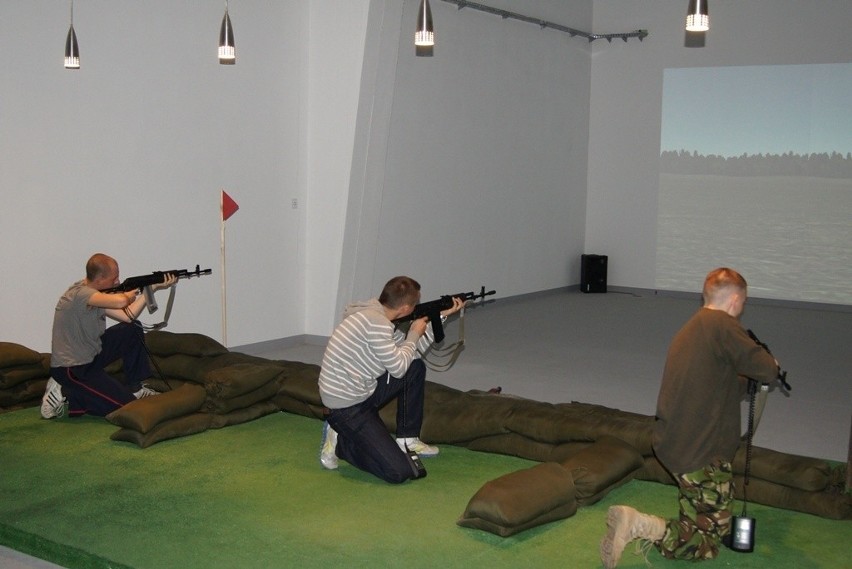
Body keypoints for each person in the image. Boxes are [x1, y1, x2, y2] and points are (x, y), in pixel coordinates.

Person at [600, 267, 779, 568]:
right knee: (710, 540)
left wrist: (743, 380)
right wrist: (771, 362)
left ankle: (678, 520)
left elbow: (718, 383)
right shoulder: (724, 325)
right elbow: (767, 369)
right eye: (743, 303)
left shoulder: (693, 328)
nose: (741, 309)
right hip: (701, 454)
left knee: (698, 514)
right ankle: (640, 525)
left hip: (674, 444)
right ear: (735, 300)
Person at [317, 276, 465, 483]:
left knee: (415, 368)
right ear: (405, 308)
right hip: (346, 407)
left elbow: (410, 354)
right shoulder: (376, 323)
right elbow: (397, 369)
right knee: (398, 472)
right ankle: (342, 441)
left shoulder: (378, 316)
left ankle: (408, 439)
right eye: (414, 304)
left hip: (362, 392)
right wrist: (413, 333)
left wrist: (438, 318)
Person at [40, 253, 176, 419]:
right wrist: (134, 293)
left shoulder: (96, 293)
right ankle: (64, 390)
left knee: (132, 329)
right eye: (114, 278)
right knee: (129, 409)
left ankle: (136, 388)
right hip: (72, 368)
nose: (118, 281)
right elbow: (121, 302)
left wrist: (152, 288)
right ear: (99, 278)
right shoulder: (80, 294)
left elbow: (128, 316)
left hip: (92, 356)